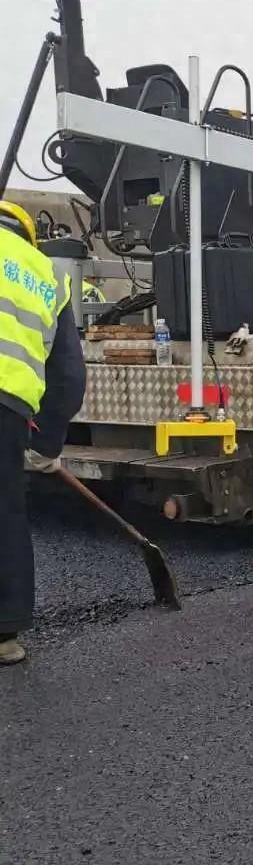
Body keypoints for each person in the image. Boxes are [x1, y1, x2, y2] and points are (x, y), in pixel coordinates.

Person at [0, 201, 86, 665]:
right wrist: (47, 444)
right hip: (8, 405)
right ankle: (4, 635)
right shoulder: (47, 274)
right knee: (4, 512)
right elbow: (69, 373)